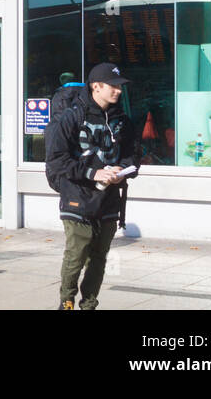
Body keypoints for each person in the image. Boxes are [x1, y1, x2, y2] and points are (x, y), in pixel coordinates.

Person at [44, 62, 139, 310]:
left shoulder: (121, 121)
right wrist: (93, 173)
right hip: (77, 197)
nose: (118, 91)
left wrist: (123, 170)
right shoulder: (72, 116)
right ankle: (66, 302)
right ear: (96, 86)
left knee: (99, 259)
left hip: (109, 199)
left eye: (120, 87)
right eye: (113, 86)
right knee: (76, 257)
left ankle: (89, 305)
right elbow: (57, 160)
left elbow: (132, 156)